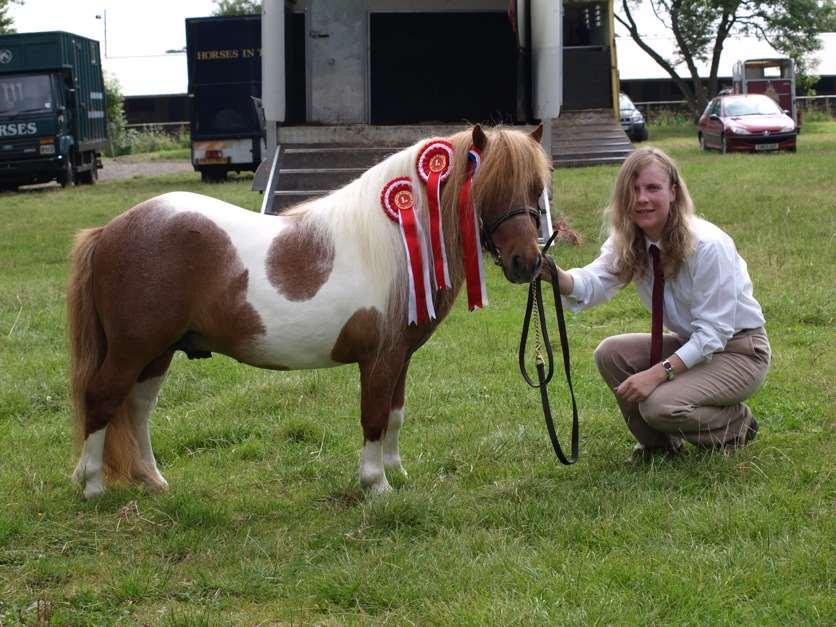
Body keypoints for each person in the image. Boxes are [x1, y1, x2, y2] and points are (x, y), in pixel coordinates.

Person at [547, 147, 770, 459]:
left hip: (739, 351)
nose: (641, 199)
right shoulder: (631, 241)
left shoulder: (708, 245)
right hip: (692, 343)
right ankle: (659, 447)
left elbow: (714, 333)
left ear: (673, 192)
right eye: (633, 190)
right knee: (610, 353)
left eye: (653, 188)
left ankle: (735, 426)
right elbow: (593, 283)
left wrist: (656, 374)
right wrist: (551, 273)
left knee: (659, 404)